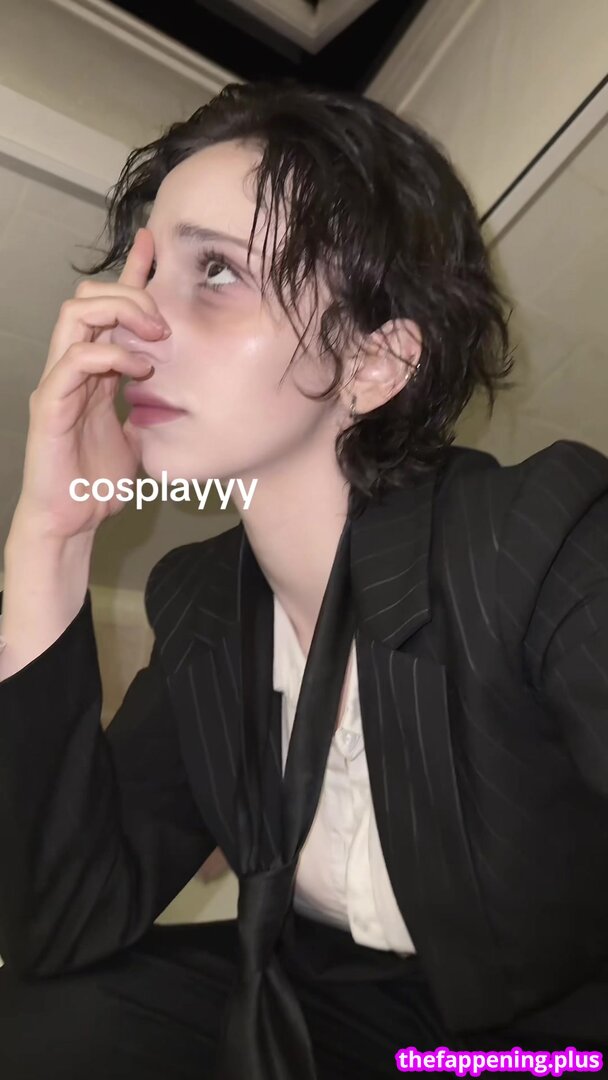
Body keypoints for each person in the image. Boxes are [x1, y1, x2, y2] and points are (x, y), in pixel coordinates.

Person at [0, 79, 607, 1080]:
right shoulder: (199, 602)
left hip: (552, 1037)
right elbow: (60, 922)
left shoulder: (540, 535)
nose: (129, 327)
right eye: (145, 274)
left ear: (373, 363)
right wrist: (51, 535)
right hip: (322, 998)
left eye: (216, 272)